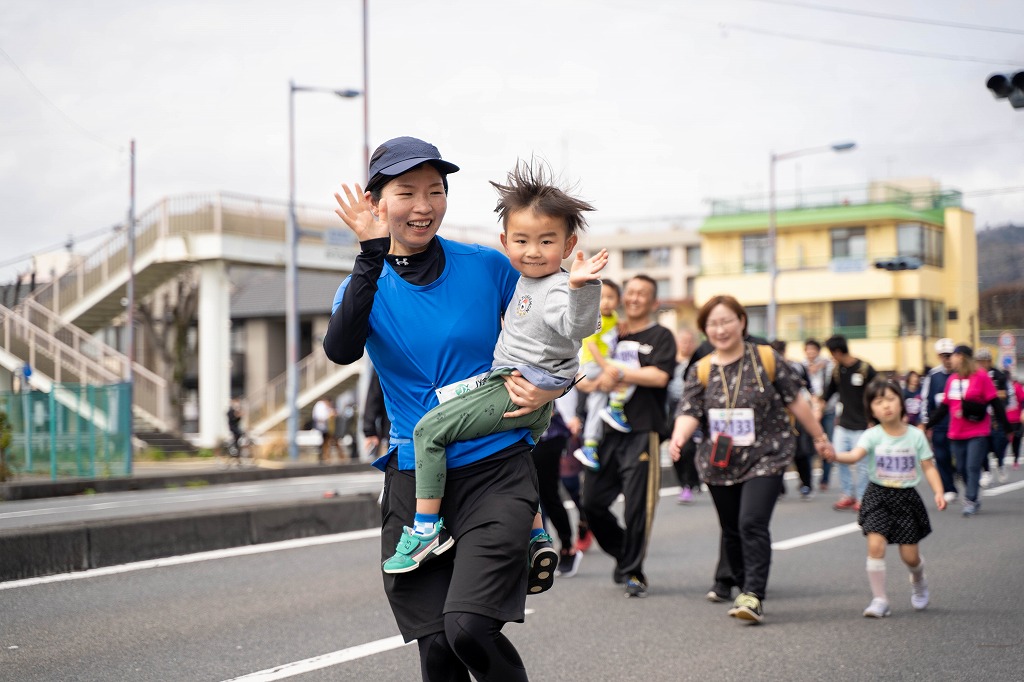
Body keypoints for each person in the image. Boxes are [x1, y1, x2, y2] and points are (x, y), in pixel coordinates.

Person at [324, 136, 562, 681]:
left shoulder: (486, 266)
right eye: (407, 192)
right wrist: (369, 254)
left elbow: (552, 331)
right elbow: (341, 349)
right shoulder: (364, 281)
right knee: (436, 648)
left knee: (468, 628)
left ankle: (531, 527)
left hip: (496, 467)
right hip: (415, 478)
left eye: (436, 191)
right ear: (376, 202)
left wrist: (553, 388)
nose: (424, 205)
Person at [380, 159, 606, 579]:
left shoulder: (557, 287)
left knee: (428, 432)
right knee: (517, 456)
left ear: (569, 245)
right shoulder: (524, 278)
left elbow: (577, 327)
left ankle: (426, 528)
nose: (533, 251)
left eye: (546, 241)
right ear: (505, 241)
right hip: (528, 391)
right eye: (522, 240)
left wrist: (582, 286)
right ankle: (536, 535)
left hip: (516, 387)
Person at [670, 295, 834, 624]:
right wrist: (679, 437)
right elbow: (689, 410)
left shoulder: (766, 358)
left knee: (751, 523)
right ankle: (744, 588)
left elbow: (796, 401)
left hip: (767, 455)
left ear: (742, 322)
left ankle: (754, 594)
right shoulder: (701, 368)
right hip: (720, 461)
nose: (720, 329)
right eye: (712, 324)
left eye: (727, 321)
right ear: (705, 330)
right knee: (731, 528)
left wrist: (819, 436)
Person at [577, 274, 676, 598]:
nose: (633, 298)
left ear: (653, 302)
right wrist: (593, 382)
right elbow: (585, 366)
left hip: (642, 430)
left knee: (637, 506)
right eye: (630, 292)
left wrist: (617, 372)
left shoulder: (660, 336)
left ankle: (633, 570)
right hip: (606, 431)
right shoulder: (611, 331)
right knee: (591, 502)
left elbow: (660, 376)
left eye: (642, 294)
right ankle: (624, 552)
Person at [824, 378, 946, 618]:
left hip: (906, 497)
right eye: (879, 402)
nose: (886, 406)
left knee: (910, 557)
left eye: (891, 399)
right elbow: (854, 455)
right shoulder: (872, 435)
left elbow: (928, 467)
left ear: (901, 403)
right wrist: (835, 455)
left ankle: (919, 580)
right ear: (871, 409)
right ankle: (880, 599)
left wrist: (939, 491)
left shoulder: (915, 436)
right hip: (878, 495)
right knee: (875, 545)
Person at [923, 345, 1010, 517]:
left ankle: (971, 500)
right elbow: (943, 408)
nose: (950, 360)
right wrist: (927, 425)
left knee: (972, 466)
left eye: (953, 356)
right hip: (956, 432)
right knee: (961, 468)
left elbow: (995, 404)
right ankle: (973, 492)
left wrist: (1006, 427)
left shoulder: (981, 377)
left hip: (977, 431)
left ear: (961, 357)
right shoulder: (953, 379)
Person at [572, 280, 623, 470]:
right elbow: (591, 345)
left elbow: (615, 331)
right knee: (626, 371)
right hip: (593, 365)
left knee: (597, 404)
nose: (606, 302)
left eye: (611, 297)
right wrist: (606, 366)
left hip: (601, 366)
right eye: (602, 297)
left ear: (618, 300)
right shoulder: (594, 317)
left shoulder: (615, 318)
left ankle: (590, 445)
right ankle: (617, 406)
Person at [824, 335, 878, 511]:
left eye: (832, 354)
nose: (832, 357)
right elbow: (828, 393)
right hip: (843, 424)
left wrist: (874, 420)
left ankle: (863, 497)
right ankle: (847, 494)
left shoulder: (865, 368)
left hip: (863, 425)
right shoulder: (837, 370)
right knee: (839, 459)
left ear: (838, 352)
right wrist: (818, 406)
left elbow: (879, 393)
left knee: (862, 464)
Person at [771, 339, 815, 500]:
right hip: (774, 416)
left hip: (796, 415)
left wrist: (813, 409)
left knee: (800, 452)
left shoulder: (795, 367)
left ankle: (806, 484)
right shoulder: (765, 368)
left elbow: (808, 389)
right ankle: (778, 488)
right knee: (776, 453)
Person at [920, 338, 957, 501]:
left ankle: (960, 475)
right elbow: (925, 400)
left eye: (949, 355)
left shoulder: (960, 374)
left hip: (959, 425)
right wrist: (927, 423)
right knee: (941, 457)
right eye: (943, 355)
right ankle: (949, 487)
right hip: (940, 425)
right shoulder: (933, 376)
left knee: (959, 457)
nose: (946, 359)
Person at [667, 327, 701, 504]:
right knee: (675, 448)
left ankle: (689, 483)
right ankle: (685, 483)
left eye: (689, 341)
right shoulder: (670, 363)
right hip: (672, 411)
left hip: (693, 411)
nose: (686, 345)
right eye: (682, 341)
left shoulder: (698, 363)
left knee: (688, 449)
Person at [803, 338, 836, 492]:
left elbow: (831, 386)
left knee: (827, 442)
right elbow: (801, 389)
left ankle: (825, 479)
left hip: (828, 409)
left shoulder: (828, 365)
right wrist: (813, 402)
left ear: (818, 351)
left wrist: (821, 404)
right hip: (809, 412)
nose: (810, 352)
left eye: (813, 349)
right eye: (808, 349)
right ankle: (807, 480)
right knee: (808, 446)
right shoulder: (801, 366)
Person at [976, 348, 1010, 484]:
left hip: (996, 416)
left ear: (989, 361)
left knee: (998, 444)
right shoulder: (974, 375)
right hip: (981, 416)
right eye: (979, 362)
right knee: (982, 446)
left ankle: (1000, 464)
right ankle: (986, 471)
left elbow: (1005, 395)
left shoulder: (999, 375)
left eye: (984, 361)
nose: (982, 364)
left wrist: (991, 392)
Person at [362, 367, 390, 461]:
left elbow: (373, 396)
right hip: (396, 428)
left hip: (395, 428)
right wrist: (370, 431)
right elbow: (374, 396)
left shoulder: (387, 357)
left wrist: (369, 431)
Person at [311, 397, 336, 464]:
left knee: (325, 442)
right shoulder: (320, 405)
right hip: (322, 427)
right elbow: (320, 417)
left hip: (326, 428)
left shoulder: (324, 406)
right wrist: (329, 415)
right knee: (324, 443)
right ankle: (323, 457)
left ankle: (325, 457)